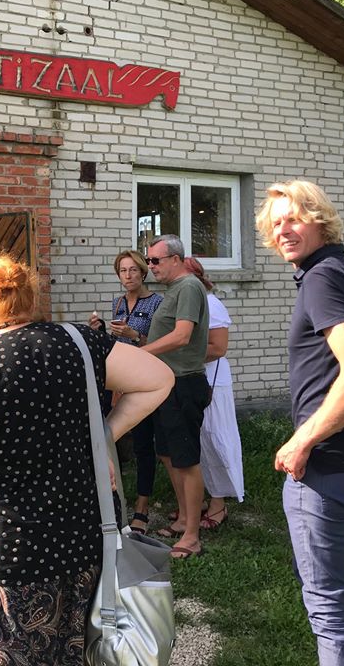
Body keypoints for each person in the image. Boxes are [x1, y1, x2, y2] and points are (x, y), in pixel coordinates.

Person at [0, 251, 174, 666]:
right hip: (84, 539)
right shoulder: (80, 344)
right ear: (30, 302)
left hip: (10, 551)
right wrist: (102, 437)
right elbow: (159, 379)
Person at [255, 180, 344, 666]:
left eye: (294, 218)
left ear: (320, 221)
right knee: (331, 591)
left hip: (326, 471)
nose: (283, 230)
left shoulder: (321, 279)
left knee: (329, 611)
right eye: (276, 223)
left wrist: (302, 440)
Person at [140, 234, 212, 559]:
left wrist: (140, 354)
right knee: (168, 455)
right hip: (168, 383)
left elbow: (182, 336)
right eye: (148, 261)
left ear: (176, 259)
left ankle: (192, 536)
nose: (151, 267)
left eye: (155, 260)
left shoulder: (189, 287)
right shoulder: (174, 289)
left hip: (185, 383)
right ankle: (184, 518)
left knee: (186, 460)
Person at [89, 249, 163, 535]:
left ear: (143, 272)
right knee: (113, 440)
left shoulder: (157, 302)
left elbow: (161, 343)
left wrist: (136, 336)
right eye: (123, 271)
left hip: (143, 381)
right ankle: (114, 499)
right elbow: (115, 344)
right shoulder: (118, 302)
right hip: (118, 382)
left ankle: (142, 507)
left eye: (133, 270)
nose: (128, 276)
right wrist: (99, 331)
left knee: (143, 444)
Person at [183, 257, 243, 529]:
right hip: (192, 378)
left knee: (215, 438)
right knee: (200, 442)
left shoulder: (211, 304)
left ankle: (220, 503)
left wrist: (180, 352)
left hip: (212, 381)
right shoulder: (188, 303)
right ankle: (207, 496)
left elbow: (218, 348)